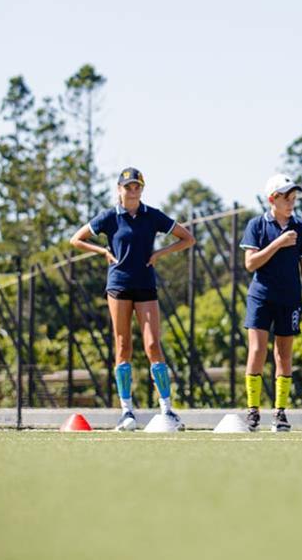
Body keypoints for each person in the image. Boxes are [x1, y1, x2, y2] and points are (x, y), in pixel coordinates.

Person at [70, 168, 195, 431]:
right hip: (118, 286)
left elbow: (187, 238)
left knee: (152, 345)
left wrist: (160, 254)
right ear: (119, 189)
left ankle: (167, 410)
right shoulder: (109, 217)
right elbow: (76, 239)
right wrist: (102, 251)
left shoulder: (152, 216)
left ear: (142, 189)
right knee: (123, 345)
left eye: (137, 186)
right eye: (128, 186)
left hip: (146, 286)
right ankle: (127, 412)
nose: (132, 191)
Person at [239, 174, 302, 433]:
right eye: (286, 197)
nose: (291, 202)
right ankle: (253, 410)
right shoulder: (257, 225)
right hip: (260, 297)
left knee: (284, 355)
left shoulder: (301, 228)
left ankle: (280, 412)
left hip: (290, 299)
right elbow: (250, 263)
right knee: (257, 351)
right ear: (272, 199)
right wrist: (278, 243)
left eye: (293, 197)